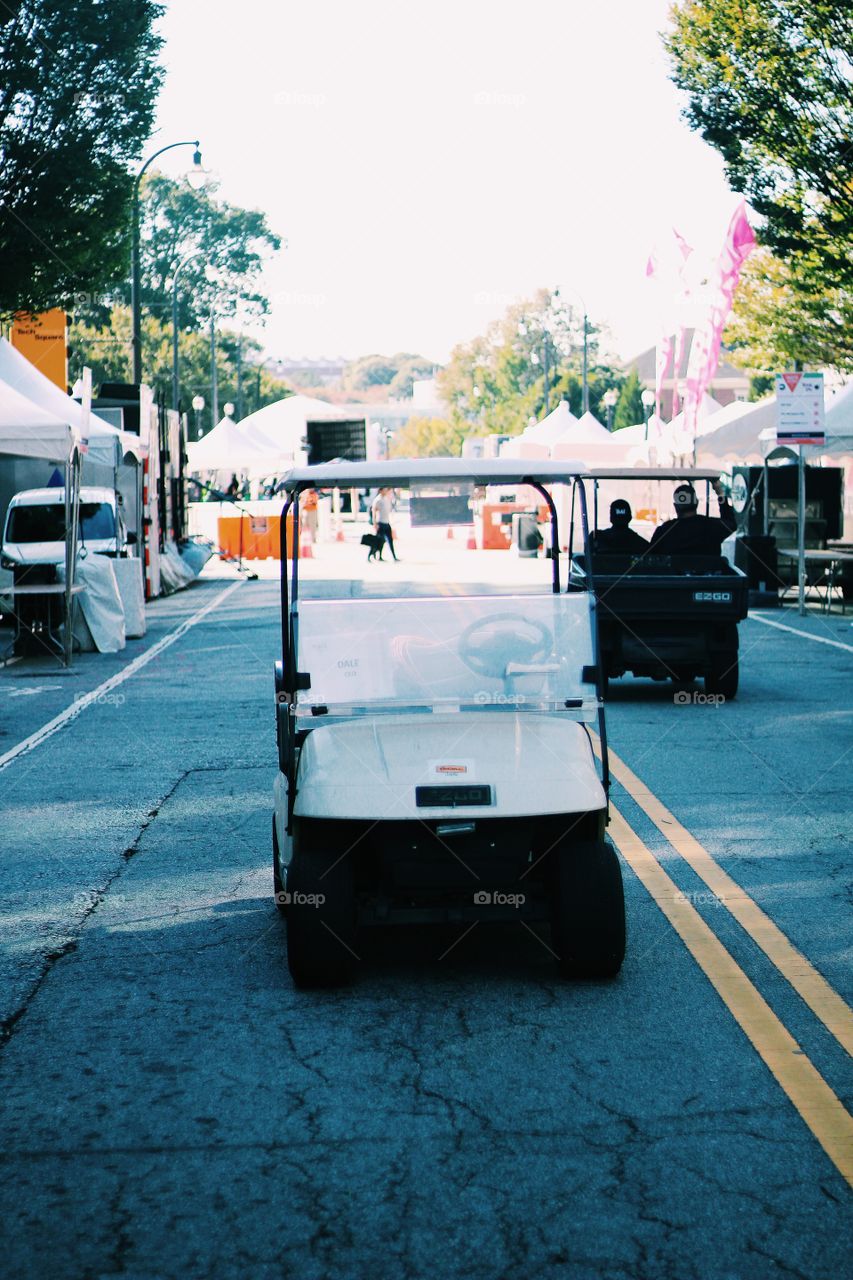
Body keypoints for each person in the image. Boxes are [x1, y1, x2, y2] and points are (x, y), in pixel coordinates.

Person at [649, 480, 735, 555]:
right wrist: (721, 495)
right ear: (697, 503)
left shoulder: (664, 531)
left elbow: (651, 556)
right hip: (708, 572)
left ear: (675, 506)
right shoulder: (711, 526)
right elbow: (731, 524)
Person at [369, 487, 398, 561]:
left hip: (386, 522)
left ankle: (394, 557)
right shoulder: (377, 500)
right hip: (380, 523)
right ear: (380, 490)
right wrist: (374, 523)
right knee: (379, 541)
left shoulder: (386, 499)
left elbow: (389, 510)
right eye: (384, 490)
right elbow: (374, 512)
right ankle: (370, 556)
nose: (386, 491)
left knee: (390, 540)